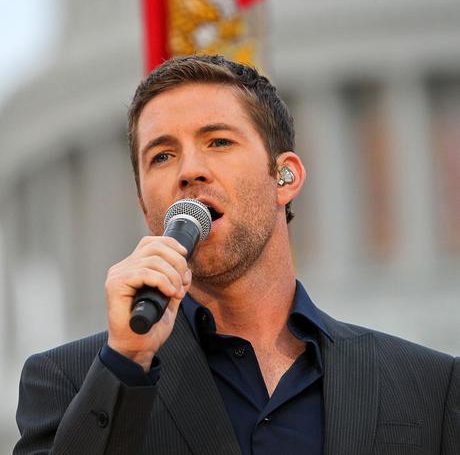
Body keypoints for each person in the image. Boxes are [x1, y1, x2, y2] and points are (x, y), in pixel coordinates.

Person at [14, 55, 459, 455]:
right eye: (163, 155)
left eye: (219, 142)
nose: (189, 170)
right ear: (145, 207)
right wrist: (126, 364)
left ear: (285, 177)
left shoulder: (429, 388)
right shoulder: (69, 382)